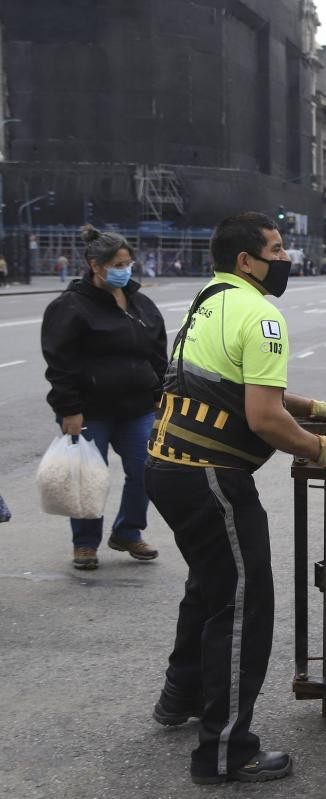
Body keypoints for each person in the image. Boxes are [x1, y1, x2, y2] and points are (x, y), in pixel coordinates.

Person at [145, 212, 326, 785]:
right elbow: (263, 418)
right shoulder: (262, 314)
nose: (285, 258)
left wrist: (314, 408)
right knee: (242, 606)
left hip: (168, 468)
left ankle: (181, 697)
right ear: (247, 260)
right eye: (275, 249)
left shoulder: (210, 300)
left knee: (209, 588)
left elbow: (232, 383)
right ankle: (226, 753)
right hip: (212, 477)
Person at [41, 225, 167, 571]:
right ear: (95, 266)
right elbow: (60, 363)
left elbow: (158, 353)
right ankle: (85, 543)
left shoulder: (140, 303)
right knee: (87, 476)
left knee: (148, 469)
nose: (125, 269)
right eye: (117, 264)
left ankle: (128, 530)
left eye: (128, 262)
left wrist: (159, 394)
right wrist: (69, 410)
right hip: (89, 410)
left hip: (138, 408)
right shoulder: (70, 306)